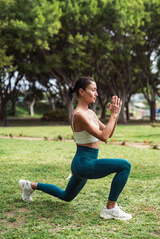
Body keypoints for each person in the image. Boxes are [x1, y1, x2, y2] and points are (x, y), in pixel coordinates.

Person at [19, 77, 132, 221]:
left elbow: (108, 134)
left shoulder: (90, 113)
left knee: (66, 196)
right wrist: (114, 115)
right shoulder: (78, 115)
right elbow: (103, 137)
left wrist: (114, 117)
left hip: (85, 164)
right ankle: (110, 208)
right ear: (81, 91)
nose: (96, 93)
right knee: (125, 165)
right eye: (93, 90)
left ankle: (29, 185)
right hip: (84, 164)